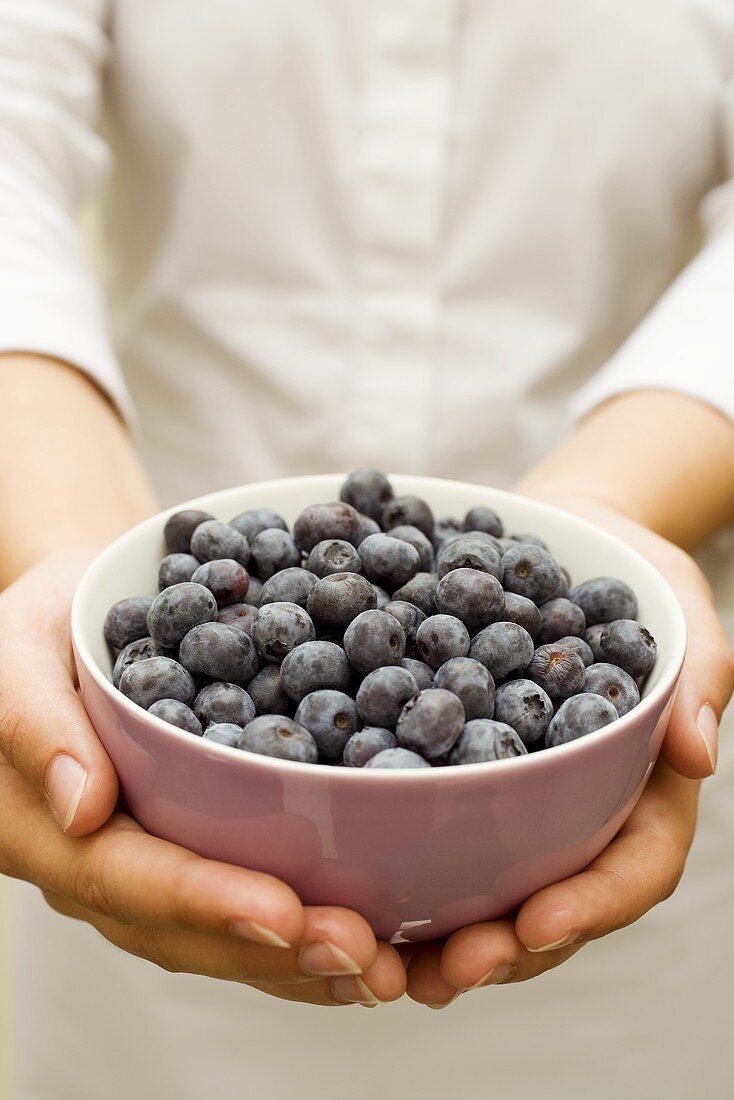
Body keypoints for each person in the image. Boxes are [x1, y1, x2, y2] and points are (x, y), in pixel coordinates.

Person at [1, 2, 734, 1097]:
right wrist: (61, 546)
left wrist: (602, 500)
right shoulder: (208, 620)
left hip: (587, 851)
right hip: (156, 810)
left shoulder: (529, 649)